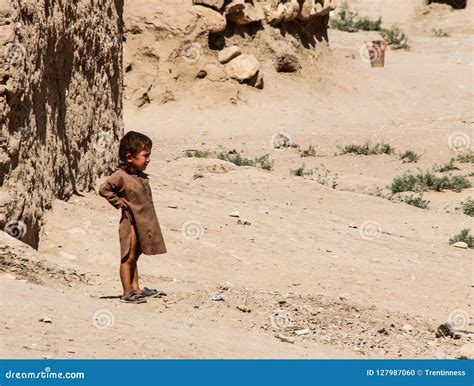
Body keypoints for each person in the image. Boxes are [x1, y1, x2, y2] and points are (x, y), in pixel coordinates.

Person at [99, 131, 167, 304]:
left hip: (141, 222)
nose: (148, 159)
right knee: (127, 257)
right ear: (130, 157)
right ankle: (126, 291)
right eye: (145, 155)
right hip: (130, 222)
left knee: (135, 255)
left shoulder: (137, 175)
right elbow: (104, 189)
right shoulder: (120, 176)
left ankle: (136, 288)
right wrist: (121, 204)